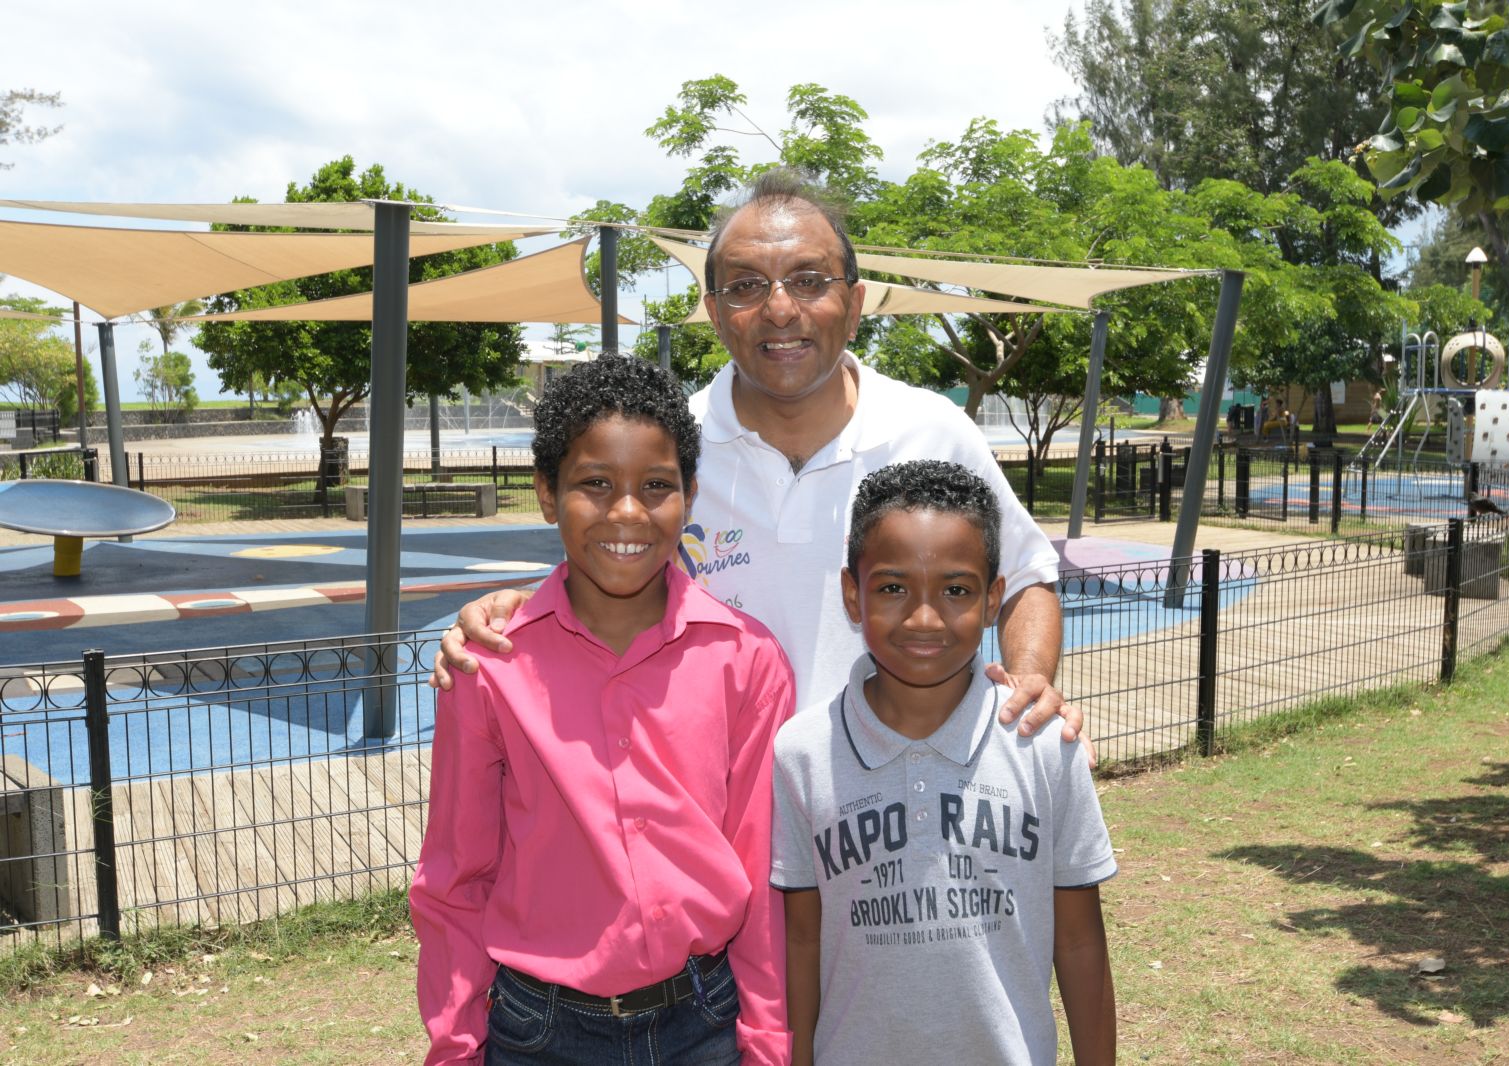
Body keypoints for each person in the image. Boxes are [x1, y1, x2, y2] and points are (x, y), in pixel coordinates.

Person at [433, 169, 1090, 753]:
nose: (780, 309)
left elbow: (1026, 579)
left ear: (856, 305)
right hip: (718, 815)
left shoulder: (933, 431)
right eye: (747, 287)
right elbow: (609, 571)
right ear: (716, 316)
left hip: (900, 804)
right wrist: (511, 613)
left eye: (809, 281)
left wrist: (1028, 682)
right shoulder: (667, 450)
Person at [410, 355, 794, 1065]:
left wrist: (768, 1043)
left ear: (690, 496)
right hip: (538, 1030)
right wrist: (457, 1046)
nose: (626, 512)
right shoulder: (488, 666)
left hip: (704, 1023)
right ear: (548, 496)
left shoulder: (745, 659)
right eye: (594, 484)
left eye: (656, 486)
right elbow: (455, 879)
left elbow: (766, 874)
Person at [772, 460, 1117, 1066]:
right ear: (853, 596)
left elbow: (1081, 940)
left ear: (992, 600)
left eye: (955, 591)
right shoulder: (801, 754)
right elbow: (802, 937)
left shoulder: (1043, 746)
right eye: (892, 587)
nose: (924, 618)